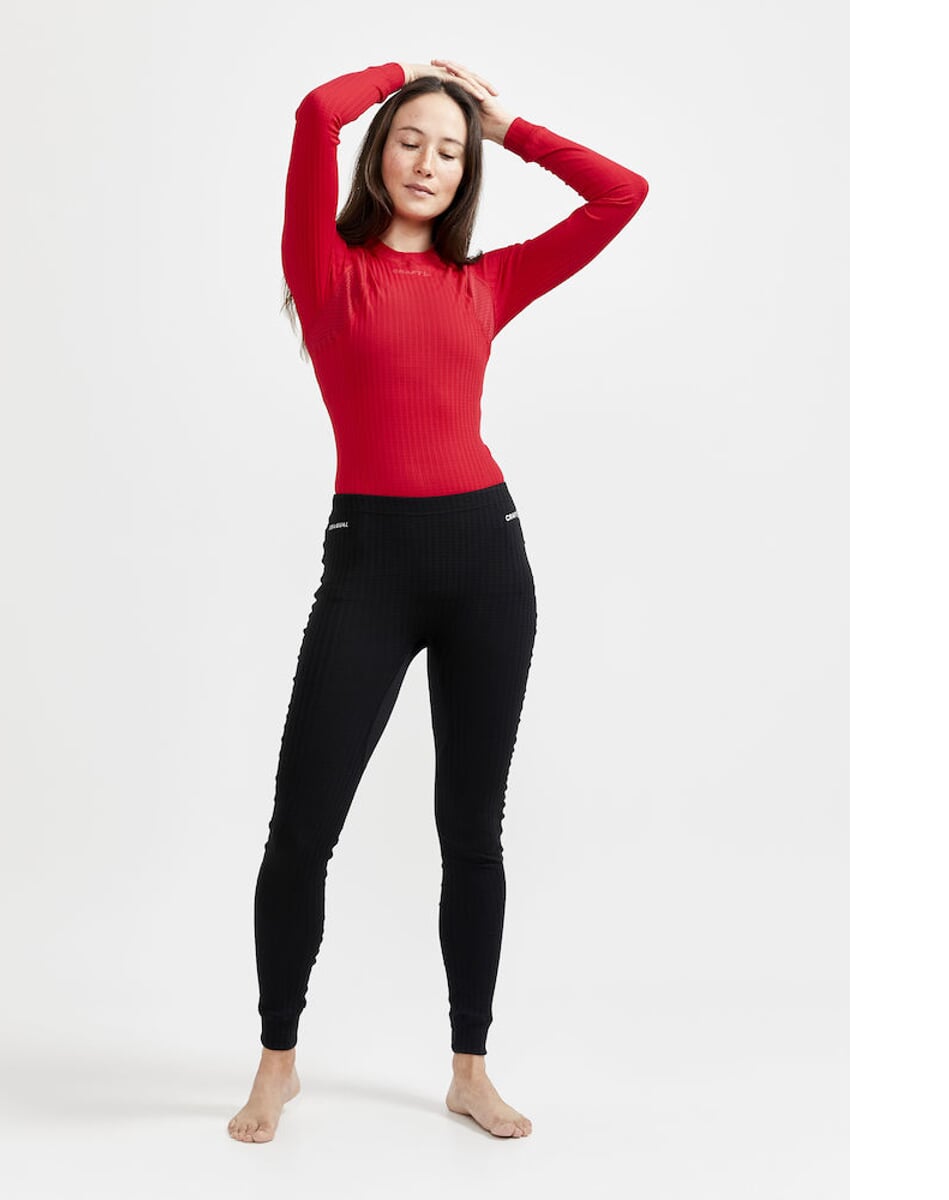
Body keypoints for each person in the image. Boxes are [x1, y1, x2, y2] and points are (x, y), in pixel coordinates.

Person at [228, 57, 648, 1143]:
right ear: (380, 151)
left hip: (487, 566)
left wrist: (509, 128)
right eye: (411, 139)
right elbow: (314, 113)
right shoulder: (327, 268)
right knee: (301, 827)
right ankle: (277, 1062)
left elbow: (622, 195)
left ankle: (470, 1067)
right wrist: (405, 77)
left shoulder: (486, 283)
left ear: (469, 174)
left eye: (450, 151)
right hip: (370, 565)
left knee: (472, 829)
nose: (428, 161)